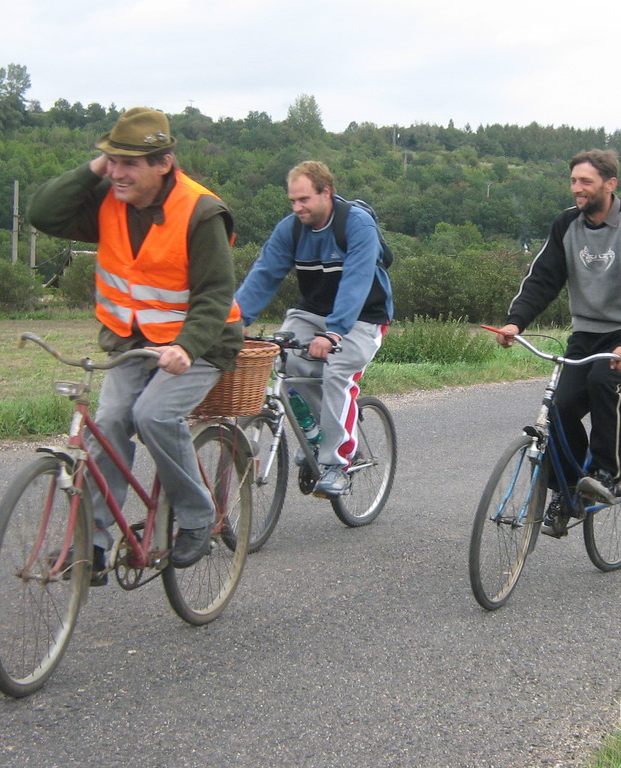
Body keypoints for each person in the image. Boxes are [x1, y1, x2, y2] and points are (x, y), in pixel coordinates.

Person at [28, 107, 243, 579]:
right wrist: (95, 168)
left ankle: (196, 515)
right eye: (111, 160)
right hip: (132, 342)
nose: (117, 172)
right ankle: (95, 545)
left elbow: (213, 294)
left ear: (163, 163)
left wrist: (186, 347)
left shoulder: (201, 210)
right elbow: (42, 213)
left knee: (152, 415)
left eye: (129, 163)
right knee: (106, 422)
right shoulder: (110, 198)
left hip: (200, 345)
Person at [494, 149, 621, 535]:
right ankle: (571, 489)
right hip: (589, 331)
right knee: (559, 406)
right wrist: (516, 322)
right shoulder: (566, 225)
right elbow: (543, 278)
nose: (577, 188)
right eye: (574, 180)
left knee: (602, 382)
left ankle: (610, 472)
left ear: (610, 184)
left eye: (586, 181)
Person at [235, 161, 393, 498]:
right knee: (285, 362)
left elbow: (357, 281)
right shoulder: (291, 229)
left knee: (337, 373)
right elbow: (264, 273)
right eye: (292, 201)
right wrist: (235, 320)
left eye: (304, 199)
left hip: (364, 316)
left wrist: (333, 333)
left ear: (327, 193)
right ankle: (320, 432)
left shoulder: (356, 224)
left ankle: (338, 463)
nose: (297, 208)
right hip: (313, 313)